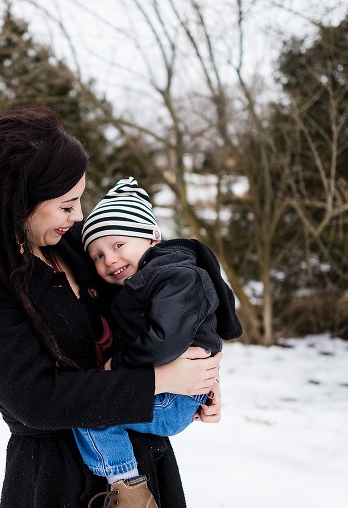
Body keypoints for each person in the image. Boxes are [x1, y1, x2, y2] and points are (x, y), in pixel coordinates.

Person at [0, 106, 222, 508]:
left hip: (149, 458)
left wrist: (194, 378)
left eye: (78, 202)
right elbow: (34, 398)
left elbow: (151, 304)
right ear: (18, 199)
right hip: (60, 482)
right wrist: (160, 381)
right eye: (66, 205)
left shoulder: (72, 245)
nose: (78, 215)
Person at [74, 177, 243, 503]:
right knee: (96, 403)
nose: (108, 259)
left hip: (174, 398)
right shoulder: (156, 277)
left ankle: (128, 487)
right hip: (180, 392)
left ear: (153, 237)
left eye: (118, 245)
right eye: (96, 255)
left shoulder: (175, 275)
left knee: (90, 407)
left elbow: (166, 340)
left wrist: (117, 365)